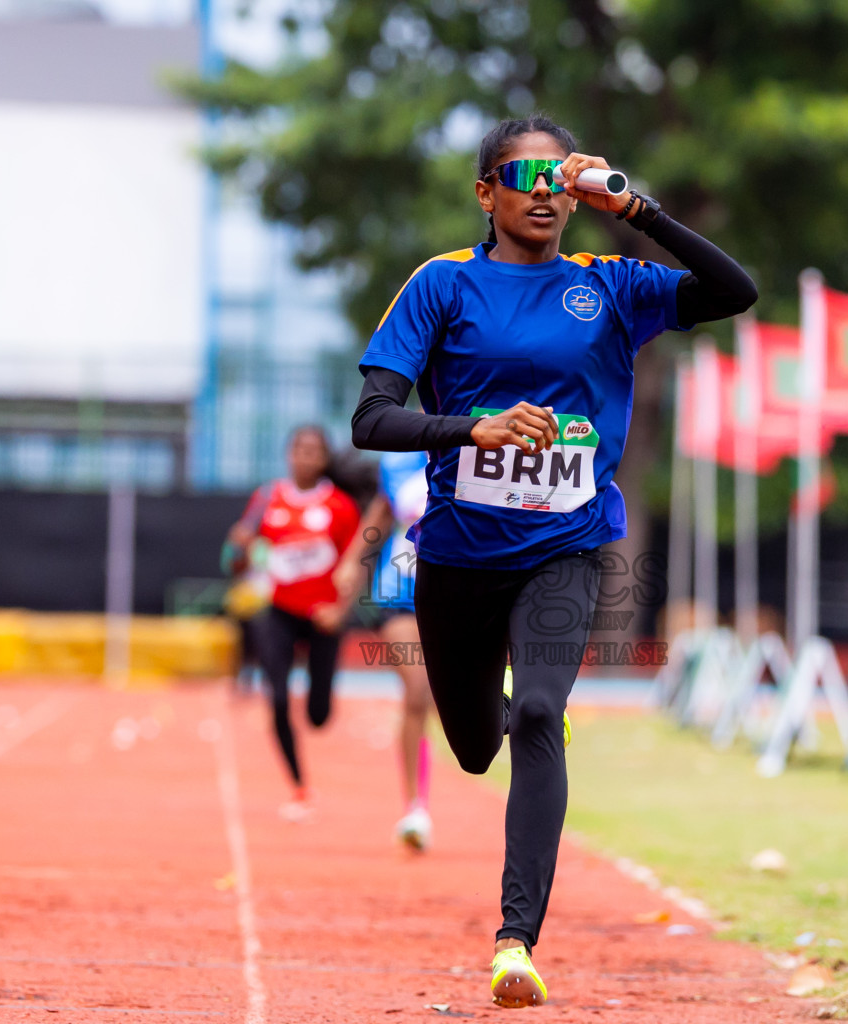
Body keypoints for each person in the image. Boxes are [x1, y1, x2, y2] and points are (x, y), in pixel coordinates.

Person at [350, 115, 756, 1007]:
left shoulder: (610, 287)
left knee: (538, 712)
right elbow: (372, 421)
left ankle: (514, 942)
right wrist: (474, 428)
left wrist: (635, 206)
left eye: (557, 178)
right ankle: (513, 712)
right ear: (485, 191)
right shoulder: (443, 285)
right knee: (470, 744)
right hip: (457, 553)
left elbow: (734, 290)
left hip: (567, 545)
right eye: (520, 174)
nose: (541, 190)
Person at [225, 425, 360, 821]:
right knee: (278, 700)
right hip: (279, 611)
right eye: (298, 450)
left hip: (324, 618)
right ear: (288, 454)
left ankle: (318, 710)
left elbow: (357, 564)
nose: (305, 457)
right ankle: (299, 785)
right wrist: (239, 549)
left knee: (318, 715)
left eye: (313, 451)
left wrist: (341, 609)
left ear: (324, 459)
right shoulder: (266, 498)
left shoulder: (340, 506)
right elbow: (236, 561)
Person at [333, 448, 436, 851]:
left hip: (458, 596)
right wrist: (349, 565)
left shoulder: (480, 450)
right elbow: (375, 521)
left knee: (455, 699)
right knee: (416, 691)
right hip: (400, 593)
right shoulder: (399, 463)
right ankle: (415, 807)